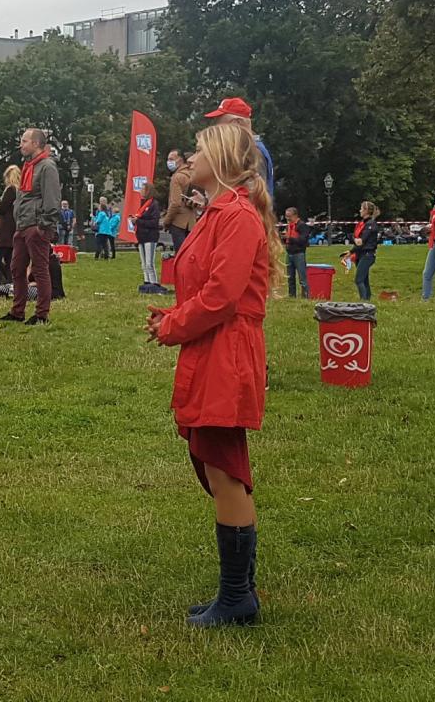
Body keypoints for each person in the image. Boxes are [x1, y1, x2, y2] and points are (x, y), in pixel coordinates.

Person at [145, 122, 281, 628]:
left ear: (221, 159)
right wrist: (173, 318)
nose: (188, 160)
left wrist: (175, 324)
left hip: (225, 351)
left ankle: (237, 599)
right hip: (211, 348)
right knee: (218, 465)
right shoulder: (217, 213)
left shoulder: (236, 215)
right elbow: (208, 286)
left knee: (224, 468)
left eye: (198, 151)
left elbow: (223, 297)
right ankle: (238, 592)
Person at [0, 128, 61, 325]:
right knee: (16, 267)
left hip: (35, 226)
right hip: (23, 225)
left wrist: (43, 225)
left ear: (36, 143)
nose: (21, 144)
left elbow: (52, 199)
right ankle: (18, 311)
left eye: (24, 141)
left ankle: (42, 314)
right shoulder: (29, 166)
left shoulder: (47, 167)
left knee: (40, 270)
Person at [203, 97, 274, 197]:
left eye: (220, 123)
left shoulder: (252, 151)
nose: (217, 128)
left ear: (237, 123)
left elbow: (255, 196)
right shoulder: (248, 149)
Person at [163, 149, 196, 252]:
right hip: (191, 221)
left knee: (180, 255)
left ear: (180, 160)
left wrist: (167, 221)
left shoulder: (177, 177)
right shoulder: (192, 174)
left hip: (178, 222)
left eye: (171, 159)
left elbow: (175, 203)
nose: (168, 162)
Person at [0, 165, 20, 286]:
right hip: (13, 228)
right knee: (9, 259)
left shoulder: (10, 190)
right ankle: (10, 280)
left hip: (6, 230)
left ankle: (8, 279)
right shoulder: (19, 191)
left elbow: (3, 209)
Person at [132, 183, 162, 287]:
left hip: (150, 236)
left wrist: (138, 221)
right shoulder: (143, 204)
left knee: (149, 263)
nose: (140, 191)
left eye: (142, 189)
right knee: (144, 263)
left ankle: (154, 283)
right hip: (141, 236)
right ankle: (146, 281)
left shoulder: (154, 204)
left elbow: (154, 222)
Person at [349, 202, 380, 301]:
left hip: (367, 254)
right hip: (361, 254)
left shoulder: (370, 224)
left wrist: (353, 239)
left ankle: (363, 300)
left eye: (361, 209)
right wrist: (351, 251)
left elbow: (361, 241)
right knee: (364, 279)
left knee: (359, 279)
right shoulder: (364, 224)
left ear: (366, 211)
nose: (360, 211)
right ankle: (368, 299)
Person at [283, 207, 310, 299]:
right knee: (290, 278)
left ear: (295, 215)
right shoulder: (288, 226)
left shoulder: (302, 226)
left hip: (299, 254)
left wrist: (289, 238)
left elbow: (303, 240)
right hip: (289, 254)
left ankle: (305, 297)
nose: (287, 218)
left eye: (289, 216)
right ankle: (292, 297)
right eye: (286, 216)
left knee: (302, 278)